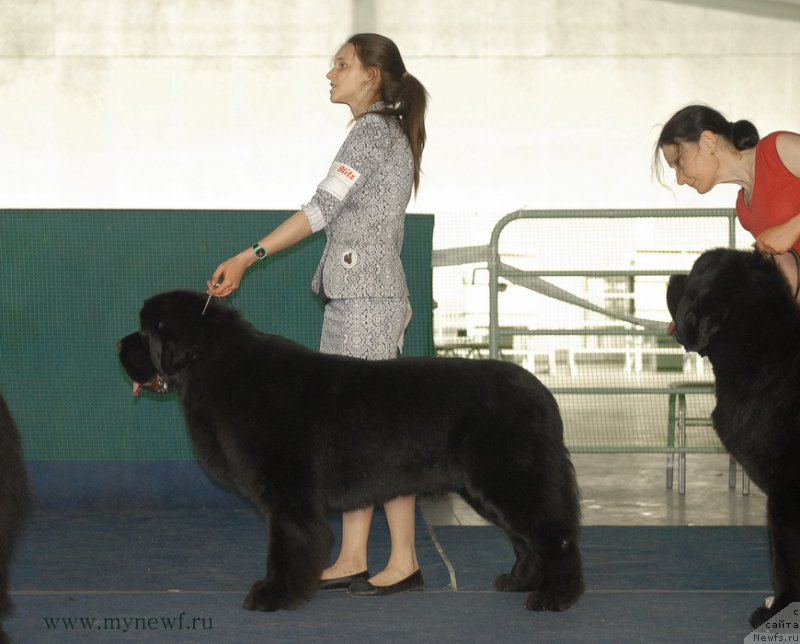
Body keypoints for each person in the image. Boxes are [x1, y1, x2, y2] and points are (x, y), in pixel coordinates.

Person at [207, 33, 428, 596]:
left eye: (341, 65)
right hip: (355, 301)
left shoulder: (371, 134)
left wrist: (247, 255)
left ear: (371, 75)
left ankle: (402, 559)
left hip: (368, 302)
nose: (331, 75)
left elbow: (321, 208)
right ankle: (355, 554)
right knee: (357, 433)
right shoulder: (383, 133)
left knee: (381, 433)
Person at [655, 104, 800, 299]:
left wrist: (792, 228)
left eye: (679, 163)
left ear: (707, 142)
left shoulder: (778, 150)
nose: (680, 179)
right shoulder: (744, 210)